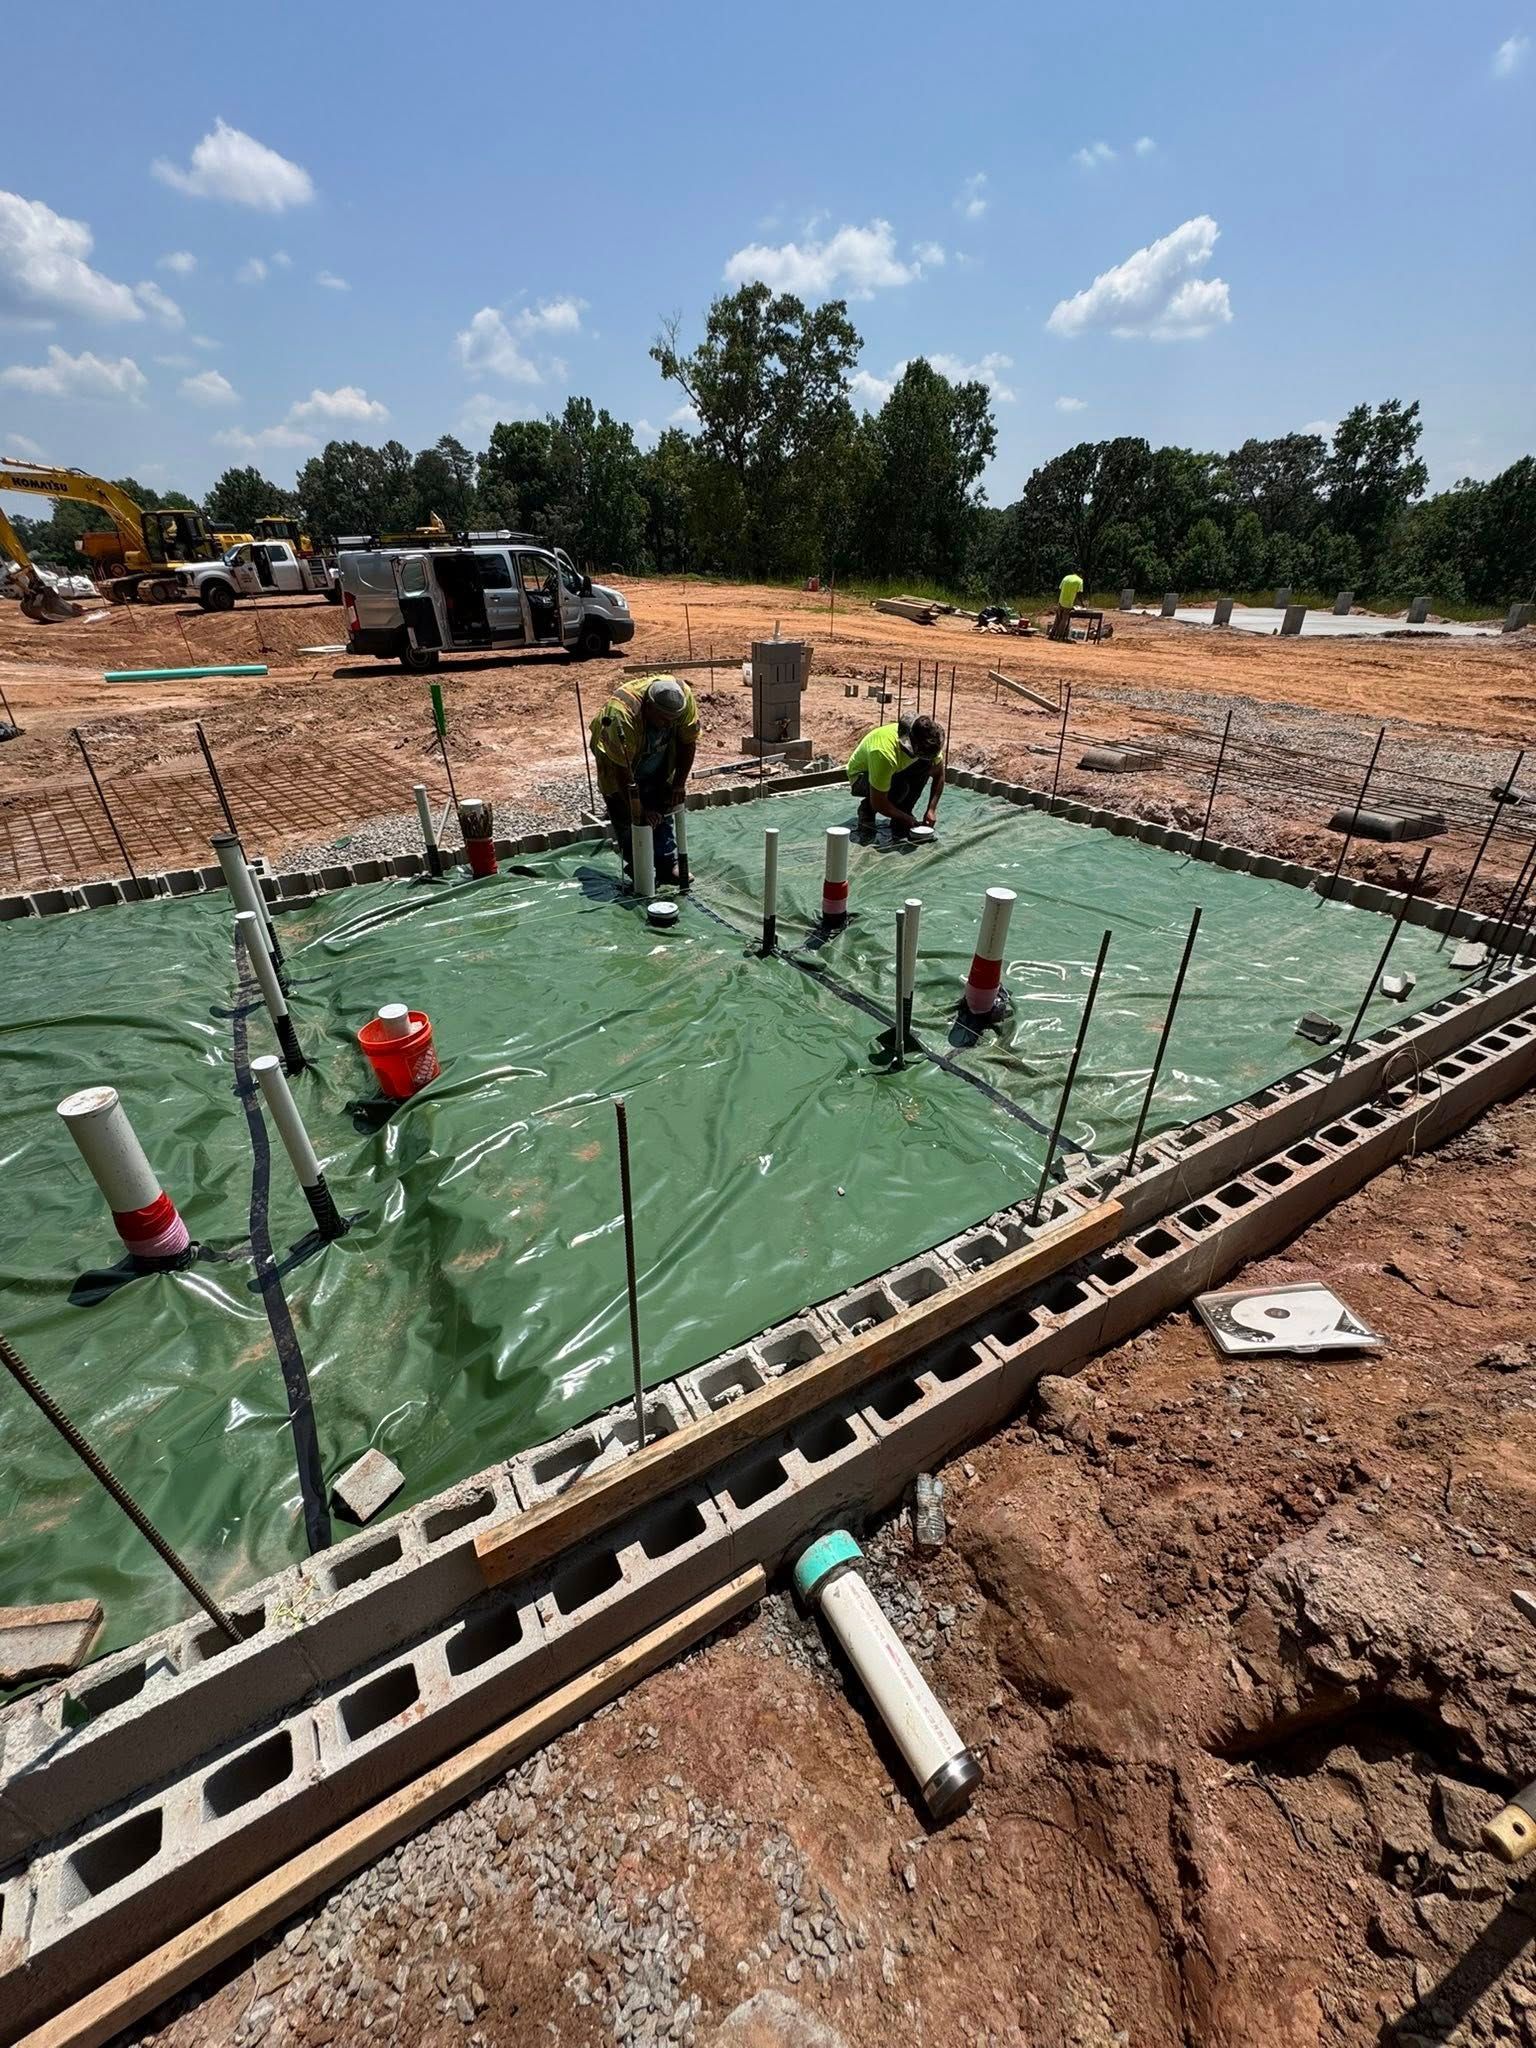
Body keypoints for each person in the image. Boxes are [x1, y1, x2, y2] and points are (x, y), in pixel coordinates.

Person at [591, 674, 699, 885]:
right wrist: (639, 809)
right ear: (648, 707)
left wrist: (679, 783)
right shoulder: (621, 715)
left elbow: (688, 741)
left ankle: (668, 865)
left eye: (672, 721)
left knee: (661, 806)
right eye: (663, 720)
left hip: (654, 755)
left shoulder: (683, 698)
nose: (668, 725)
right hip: (617, 760)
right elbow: (622, 771)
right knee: (628, 816)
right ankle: (640, 867)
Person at [847, 714, 946, 837]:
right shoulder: (884, 753)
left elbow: (939, 775)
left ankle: (904, 811)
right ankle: (867, 809)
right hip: (861, 778)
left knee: (926, 765)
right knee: (900, 788)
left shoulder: (929, 742)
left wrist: (931, 809)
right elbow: (878, 801)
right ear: (910, 744)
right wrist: (904, 818)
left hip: (894, 769)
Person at [1052, 569, 1084, 642]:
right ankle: (1059, 636)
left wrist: (1058, 600)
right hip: (1069, 603)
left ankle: (1052, 635)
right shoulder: (1079, 581)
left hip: (1061, 601)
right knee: (1064, 620)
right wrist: (1082, 604)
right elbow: (1079, 594)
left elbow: (1060, 589)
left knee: (1057, 619)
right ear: (1081, 575)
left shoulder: (1066, 577)